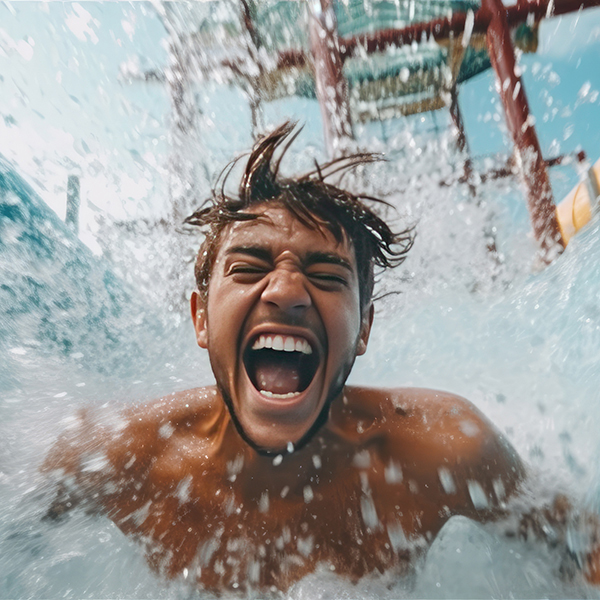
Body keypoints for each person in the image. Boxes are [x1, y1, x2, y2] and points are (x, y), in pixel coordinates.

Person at [42, 122, 599, 594]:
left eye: (327, 275)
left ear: (363, 328)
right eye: (250, 267)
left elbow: (581, 552)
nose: (286, 290)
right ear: (201, 319)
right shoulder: (112, 459)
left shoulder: (444, 451)